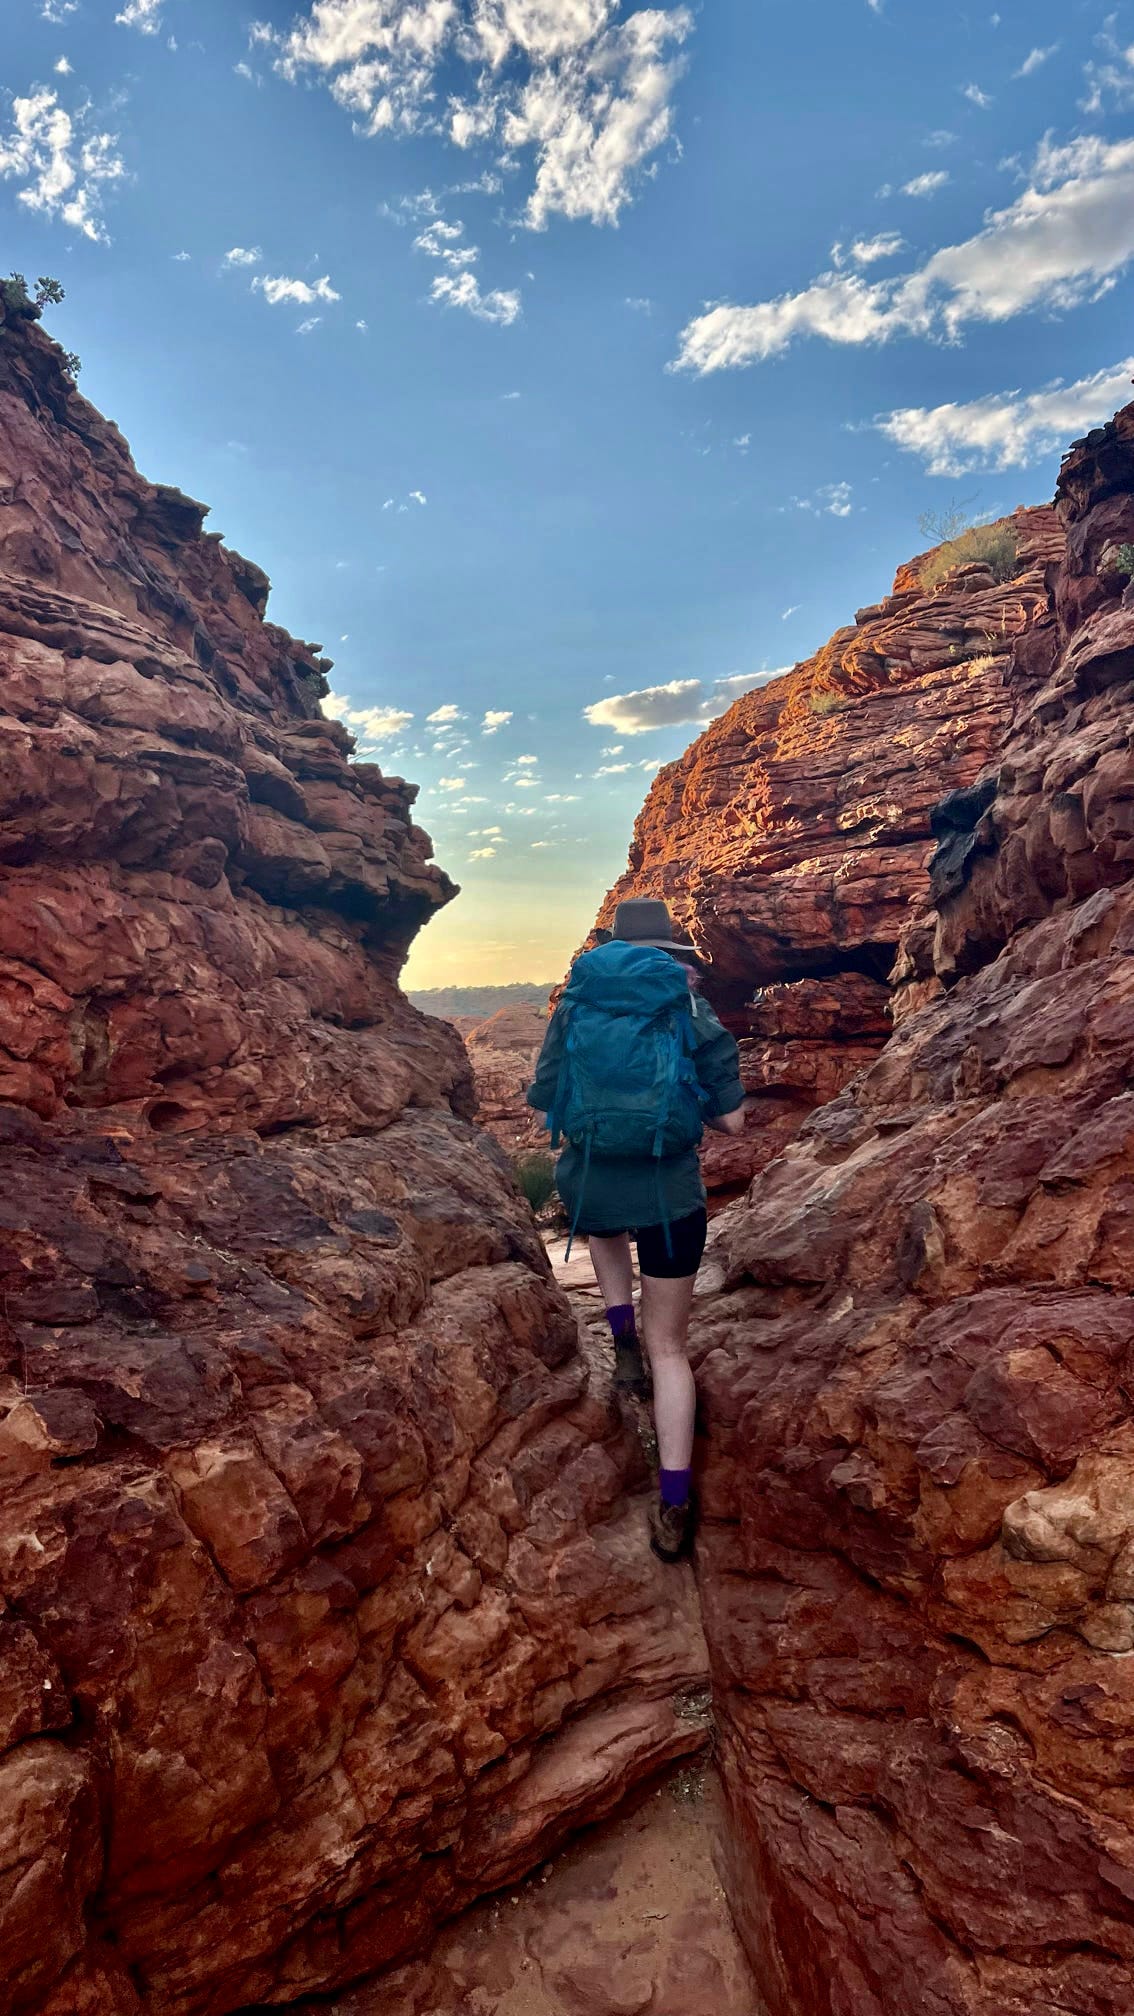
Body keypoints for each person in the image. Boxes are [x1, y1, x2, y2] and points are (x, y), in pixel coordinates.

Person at [527, 897, 746, 1563]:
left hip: (590, 1180)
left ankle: (620, 1338)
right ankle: (674, 1501)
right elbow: (733, 1124)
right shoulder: (687, 1005)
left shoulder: (575, 1003)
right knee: (672, 1349)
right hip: (671, 1190)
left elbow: (545, 1094)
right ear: (672, 951)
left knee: (603, 1221)